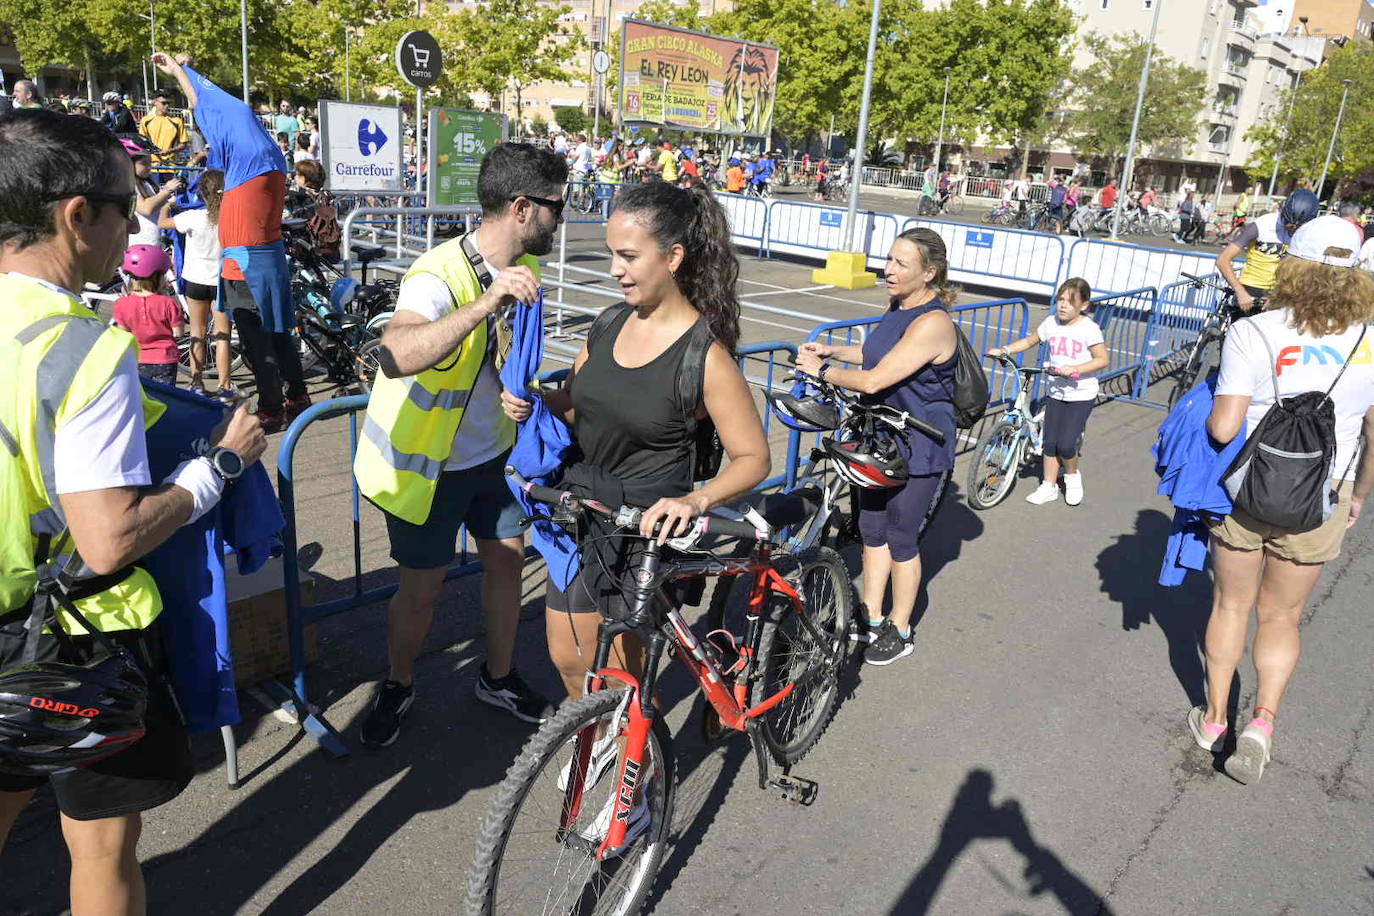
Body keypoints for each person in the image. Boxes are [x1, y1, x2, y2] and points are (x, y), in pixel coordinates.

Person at [0, 106, 266, 916]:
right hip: (73, 643)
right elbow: (109, 536)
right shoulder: (84, 346)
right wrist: (217, 470)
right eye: (129, 203)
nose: (133, 223)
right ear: (77, 215)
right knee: (104, 850)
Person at [500, 180, 770, 707]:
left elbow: (754, 457)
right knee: (567, 653)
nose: (613, 270)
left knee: (621, 672)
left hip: (646, 520)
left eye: (627, 256)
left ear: (673, 257)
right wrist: (537, 404)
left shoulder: (705, 356)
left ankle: (634, 769)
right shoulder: (607, 323)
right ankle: (592, 738)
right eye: (611, 255)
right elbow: (577, 402)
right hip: (583, 505)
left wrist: (695, 501)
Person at [352, 143, 566, 748]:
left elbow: (496, 356)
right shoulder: (437, 273)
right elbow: (396, 355)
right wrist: (486, 301)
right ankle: (397, 683)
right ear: (522, 208)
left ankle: (497, 677)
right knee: (423, 588)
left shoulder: (529, 269)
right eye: (556, 205)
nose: (562, 217)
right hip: (427, 468)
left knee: (505, 559)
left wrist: (510, 392)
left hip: (492, 457)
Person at [1193, 214, 1374, 784]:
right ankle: (1262, 724)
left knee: (1231, 607)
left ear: (1291, 264)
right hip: (1324, 489)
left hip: (1250, 488)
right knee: (1282, 615)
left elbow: (1224, 429)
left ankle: (1216, 719)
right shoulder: (1371, 336)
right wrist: (1358, 496)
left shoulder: (1257, 329)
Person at [795, 227, 959, 666]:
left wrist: (820, 371)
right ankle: (869, 615)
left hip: (919, 441)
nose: (888, 269)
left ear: (930, 272)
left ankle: (900, 628)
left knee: (901, 536)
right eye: (888, 259)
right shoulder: (898, 305)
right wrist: (830, 350)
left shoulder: (933, 322)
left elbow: (874, 380)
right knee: (871, 530)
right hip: (881, 434)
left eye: (901, 264)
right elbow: (874, 354)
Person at [153, 51, 308, 431]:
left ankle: (272, 407)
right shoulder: (272, 161)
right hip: (269, 261)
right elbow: (214, 107)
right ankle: (298, 395)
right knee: (279, 332)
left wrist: (178, 71)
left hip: (244, 267)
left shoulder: (243, 160)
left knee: (257, 341)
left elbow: (210, 105)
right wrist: (182, 71)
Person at [987, 278, 1109, 506]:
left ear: (1083, 305)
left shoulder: (1088, 328)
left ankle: (1072, 477)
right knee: (1049, 442)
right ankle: (1048, 486)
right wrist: (1004, 350)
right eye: (1060, 300)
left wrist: (1076, 369)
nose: (1063, 305)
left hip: (1081, 394)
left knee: (1065, 444)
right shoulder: (1051, 323)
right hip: (1056, 392)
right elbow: (1030, 341)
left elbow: (1102, 359)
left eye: (1070, 302)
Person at [161, 168, 235, 400]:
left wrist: (169, 203)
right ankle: (225, 385)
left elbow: (162, 221)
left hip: (195, 280)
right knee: (222, 334)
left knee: (197, 332)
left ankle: (196, 382)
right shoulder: (230, 219)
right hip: (221, 281)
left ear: (201, 194)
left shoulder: (192, 217)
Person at [1216, 188, 1321, 313]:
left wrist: (1280, 294)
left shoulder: (1307, 234)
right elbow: (1223, 260)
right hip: (1251, 290)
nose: (1292, 229)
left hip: (1280, 293)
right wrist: (1240, 291)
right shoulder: (1262, 225)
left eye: (1297, 227)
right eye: (1288, 224)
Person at [112, 244, 184, 386]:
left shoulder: (121, 304)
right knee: (165, 400)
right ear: (158, 277)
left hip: (137, 359)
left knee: (143, 400)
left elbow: (122, 333)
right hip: (166, 359)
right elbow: (179, 333)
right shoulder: (169, 303)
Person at [127, 138, 182, 248]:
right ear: (130, 164)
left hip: (153, 242)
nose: (149, 167)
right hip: (139, 245)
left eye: (150, 163)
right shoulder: (128, 184)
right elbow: (146, 209)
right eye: (144, 163)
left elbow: (155, 205)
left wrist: (168, 204)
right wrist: (167, 190)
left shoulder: (147, 182)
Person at [138, 91, 188, 167]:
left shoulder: (177, 121)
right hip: (152, 166)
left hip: (171, 166)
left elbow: (183, 144)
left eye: (168, 103)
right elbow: (142, 142)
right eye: (164, 103)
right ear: (155, 103)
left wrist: (169, 151)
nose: (167, 106)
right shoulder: (145, 120)